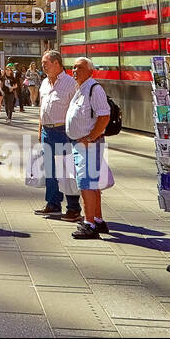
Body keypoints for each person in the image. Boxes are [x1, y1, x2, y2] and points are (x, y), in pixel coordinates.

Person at [66, 58, 113, 239]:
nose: (75, 70)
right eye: (73, 67)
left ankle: (89, 224)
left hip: (88, 145)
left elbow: (104, 116)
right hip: (80, 143)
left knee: (86, 184)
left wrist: (91, 137)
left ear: (90, 71)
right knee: (92, 184)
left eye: (79, 68)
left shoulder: (94, 89)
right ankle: (98, 221)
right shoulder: (81, 88)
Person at [36, 50, 81, 222]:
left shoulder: (71, 83)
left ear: (57, 63)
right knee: (50, 170)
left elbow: (77, 109)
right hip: (47, 131)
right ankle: (53, 203)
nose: (43, 65)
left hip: (64, 132)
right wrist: (40, 130)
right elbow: (42, 107)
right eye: (42, 63)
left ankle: (73, 208)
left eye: (45, 62)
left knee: (67, 170)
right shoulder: (44, 83)